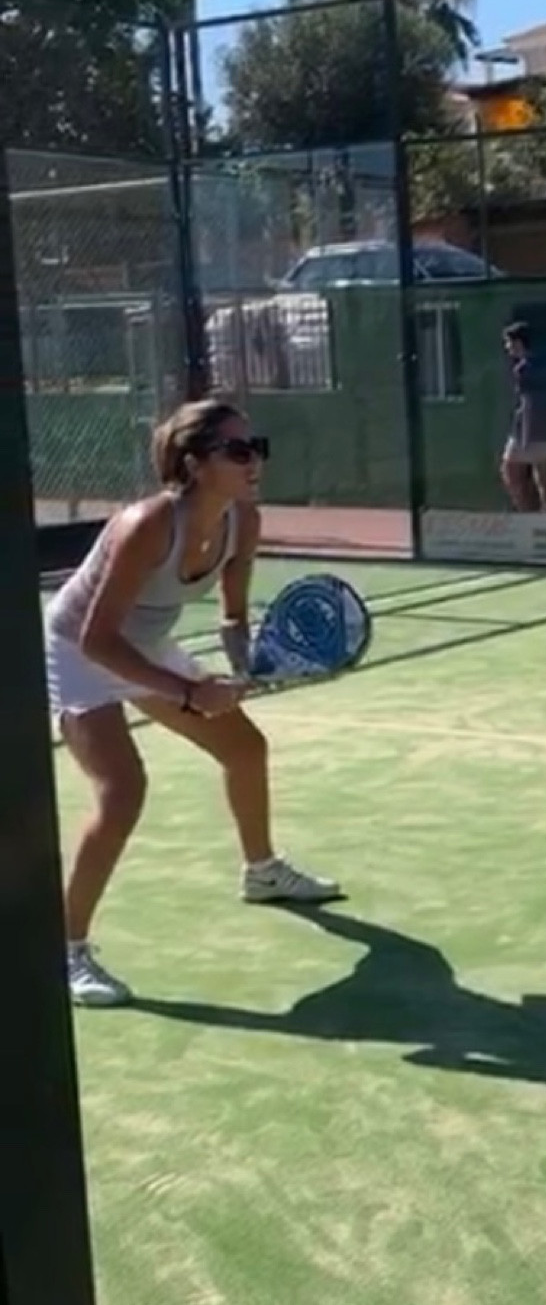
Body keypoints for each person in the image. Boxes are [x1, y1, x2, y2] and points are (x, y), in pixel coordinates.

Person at [44, 397, 341, 1009]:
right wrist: (189, 691)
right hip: (80, 649)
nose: (254, 461)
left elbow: (233, 617)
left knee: (245, 748)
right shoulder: (147, 525)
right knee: (122, 791)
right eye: (237, 450)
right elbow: (98, 640)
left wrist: (247, 666)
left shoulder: (243, 520)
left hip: (146, 645)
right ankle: (66, 949)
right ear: (194, 463)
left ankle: (261, 871)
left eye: (257, 448)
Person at [500, 321, 546, 512]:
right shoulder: (542, 365)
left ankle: (527, 511)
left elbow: (528, 402)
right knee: (541, 474)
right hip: (541, 426)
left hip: (528, 428)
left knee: (510, 470)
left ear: (519, 343)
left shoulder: (523, 370)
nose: (507, 347)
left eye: (509, 343)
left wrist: (525, 435)